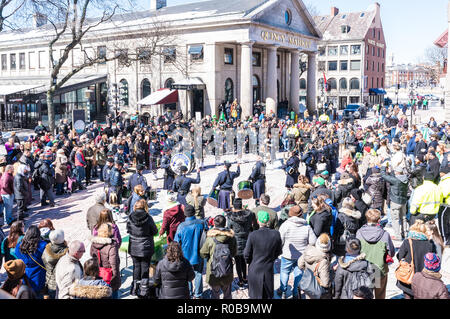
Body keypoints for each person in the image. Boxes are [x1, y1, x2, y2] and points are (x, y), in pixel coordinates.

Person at [277, 205, 316, 299]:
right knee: (298, 273)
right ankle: (295, 292)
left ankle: (283, 290)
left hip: (287, 254)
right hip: (301, 256)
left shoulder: (285, 225)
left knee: (284, 272)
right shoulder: (307, 226)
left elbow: (280, 241)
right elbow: (313, 242)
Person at [356, 209, 395, 299]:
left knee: (365, 295)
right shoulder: (385, 235)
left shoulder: (359, 233)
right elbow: (391, 252)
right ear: (378, 220)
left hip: (364, 270)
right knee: (380, 295)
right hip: (379, 269)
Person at [244, 211, 282, 299]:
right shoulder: (276, 234)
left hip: (254, 268)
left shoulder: (253, 235)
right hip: (268, 267)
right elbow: (278, 251)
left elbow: (246, 254)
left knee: (254, 295)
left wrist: (250, 262)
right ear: (268, 221)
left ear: (257, 221)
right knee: (267, 294)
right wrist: (271, 258)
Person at [396, 220, 437, 299]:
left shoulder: (407, 242)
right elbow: (434, 259)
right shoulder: (430, 244)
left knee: (408, 296)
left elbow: (400, 256)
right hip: (424, 277)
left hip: (409, 278)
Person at [200, 215, 237, 299]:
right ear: (225, 224)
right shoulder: (231, 237)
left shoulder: (210, 238)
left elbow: (203, 253)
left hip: (213, 272)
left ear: (214, 224)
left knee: (215, 294)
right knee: (227, 294)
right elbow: (234, 253)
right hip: (227, 270)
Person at [126, 199, 158, 298]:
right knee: (145, 267)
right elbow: (154, 231)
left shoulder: (130, 217)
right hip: (146, 246)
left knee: (136, 267)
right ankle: (144, 289)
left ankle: (135, 288)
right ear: (145, 207)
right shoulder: (148, 218)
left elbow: (128, 230)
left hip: (134, 246)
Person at [174, 204, 206, 299]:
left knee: (186, 274)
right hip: (199, 252)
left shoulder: (181, 226)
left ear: (185, 214)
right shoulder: (201, 223)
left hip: (185, 254)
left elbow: (176, 241)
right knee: (198, 273)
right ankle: (198, 294)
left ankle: (189, 293)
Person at [226, 198, 254, 289]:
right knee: (244, 261)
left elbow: (229, 228)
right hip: (246, 240)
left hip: (236, 242)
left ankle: (241, 280)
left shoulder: (230, 216)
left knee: (238, 261)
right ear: (241, 205)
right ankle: (245, 277)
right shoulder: (249, 215)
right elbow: (251, 224)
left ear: (234, 206)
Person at [14, 225, 47, 297]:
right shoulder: (42, 245)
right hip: (40, 277)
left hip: (26, 277)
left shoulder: (19, 246)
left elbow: (16, 254)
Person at [298, 233, 333, 299]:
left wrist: (307, 270)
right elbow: (325, 283)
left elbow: (300, 265)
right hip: (316, 290)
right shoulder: (323, 261)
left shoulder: (308, 250)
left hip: (307, 284)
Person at [90, 223, 120, 299]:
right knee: (113, 293)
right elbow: (114, 263)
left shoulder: (94, 243)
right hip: (109, 274)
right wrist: (115, 277)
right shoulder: (111, 245)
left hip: (98, 272)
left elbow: (92, 256)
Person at [381, 163, 409, 240]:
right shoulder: (405, 179)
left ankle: (397, 235)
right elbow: (394, 176)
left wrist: (383, 167)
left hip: (395, 202)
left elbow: (383, 175)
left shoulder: (395, 180)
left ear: (397, 172)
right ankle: (405, 233)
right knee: (403, 218)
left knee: (395, 219)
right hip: (403, 201)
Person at [41, 229, 68, 299]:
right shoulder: (66, 253)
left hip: (50, 282)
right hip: (62, 284)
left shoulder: (46, 250)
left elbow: (43, 260)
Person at [438, 165, 450, 245]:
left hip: (446, 204)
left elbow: (444, 193)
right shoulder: (445, 180)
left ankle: (445, 240)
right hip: (446, 204)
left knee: (442, 223)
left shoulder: (446, 180)